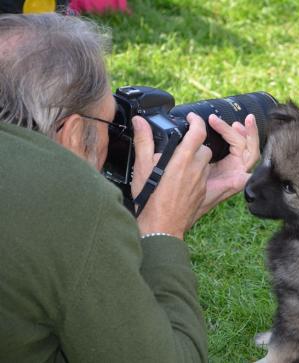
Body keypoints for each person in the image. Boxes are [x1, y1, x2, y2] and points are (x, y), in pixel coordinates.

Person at [0, 13, 260, 363]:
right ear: (75, 133)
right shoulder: (67, 200)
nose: (115, 138)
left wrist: (160, 213)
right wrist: (162, 232)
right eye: (110, 122)